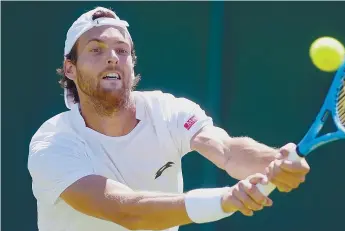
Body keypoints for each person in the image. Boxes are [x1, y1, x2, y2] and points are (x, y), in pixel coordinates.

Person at [27, 6, 310, 231]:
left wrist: (276, 163)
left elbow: (226, 150)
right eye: (96, 49)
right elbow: (127, 211)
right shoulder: (54, 142)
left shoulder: (167, 111)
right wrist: (225, 200)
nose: (112, 57)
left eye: (122, 50)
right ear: (70, 69)